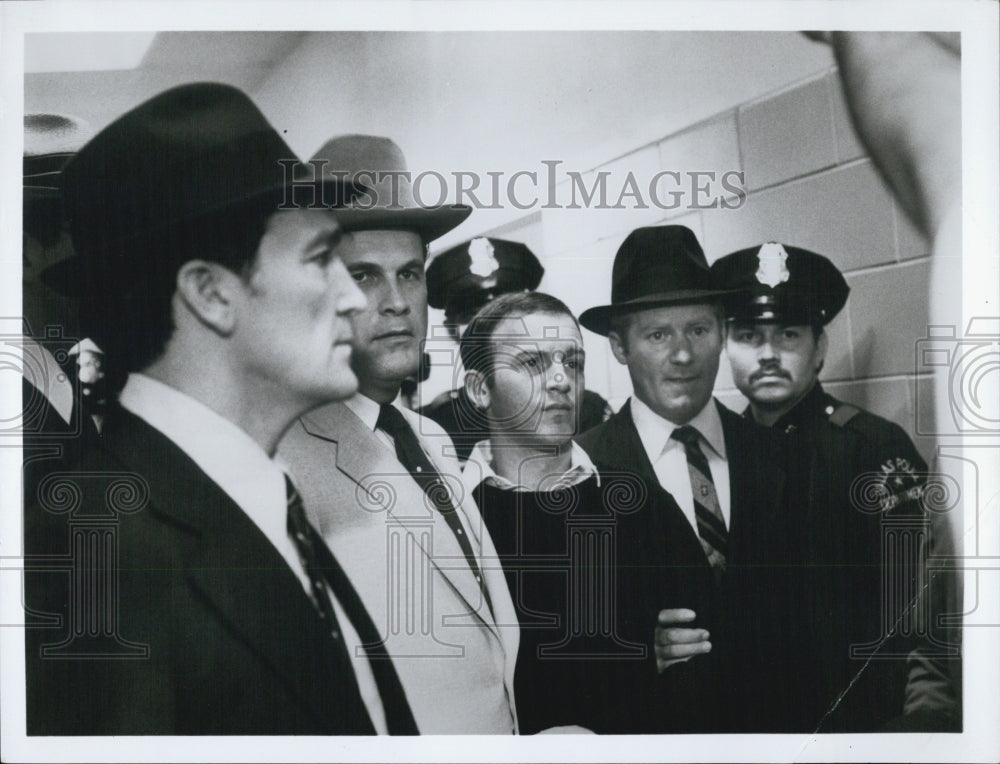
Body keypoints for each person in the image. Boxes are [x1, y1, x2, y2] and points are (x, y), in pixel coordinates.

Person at [24, 83, 416, 735]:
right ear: (210, 294)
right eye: (322, 259)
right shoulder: (99, 563)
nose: (354, 299)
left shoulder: (246, 499)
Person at [277, 135, 520, 734]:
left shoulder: (430, 437)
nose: (396, 303)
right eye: (365, 275)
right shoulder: (285, 459)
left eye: (410, 274)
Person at [711, 242, 959, 731]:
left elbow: (913, 612)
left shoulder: (870, 448)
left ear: (819, 348)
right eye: (747, 335)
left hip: (859, 720)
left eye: (787, 334)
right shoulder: (718, 454)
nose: (767, 354)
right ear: (726, 347)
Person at [576, 225, 786, 733]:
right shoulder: (582, 474)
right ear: (619, 347)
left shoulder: (780, 454)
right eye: (657, 335)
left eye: (698, 329)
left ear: (722, 332)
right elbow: (559, 652)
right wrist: (634, 652)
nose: (684, 355)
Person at [458, 290, 638, 734]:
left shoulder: (640, 505)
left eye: (572, 363)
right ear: (481, 389)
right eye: (533, 363)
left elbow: (698, 661)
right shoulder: (453, 520)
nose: (561, 380)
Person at [420, 236, 612, 462]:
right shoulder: (433, 426)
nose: (496, 331)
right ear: (452, 330)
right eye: (475, 320)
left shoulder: (585, 410)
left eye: (510, 317)